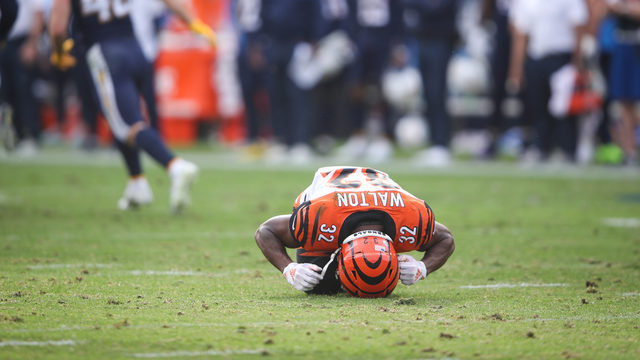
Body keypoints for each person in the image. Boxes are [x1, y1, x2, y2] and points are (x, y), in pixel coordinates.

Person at [48, 0, 216, 214]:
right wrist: (193, 23)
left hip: (106, 53)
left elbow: (58, 27)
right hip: (135, 49)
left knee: (125, 125)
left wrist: (58, 51)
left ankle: (175, 166)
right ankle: (137, 183)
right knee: (120, 115)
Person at [255, 166, 455, 295]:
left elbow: (445, 238)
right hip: (331, 204)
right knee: (321, 286)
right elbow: (265, 231)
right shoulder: (317, 219)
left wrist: (423, 268)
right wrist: (289, 269)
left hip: (367, 194)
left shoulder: (410, 219)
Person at [508, 0, 589, 163]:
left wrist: (578, 61)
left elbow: (578, 26)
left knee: (563, 108)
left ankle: (568, 149)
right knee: (538, 106)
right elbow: (520, 35)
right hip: (536, 56)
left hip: (562, 57)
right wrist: (516, 69)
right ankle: (541, 147)